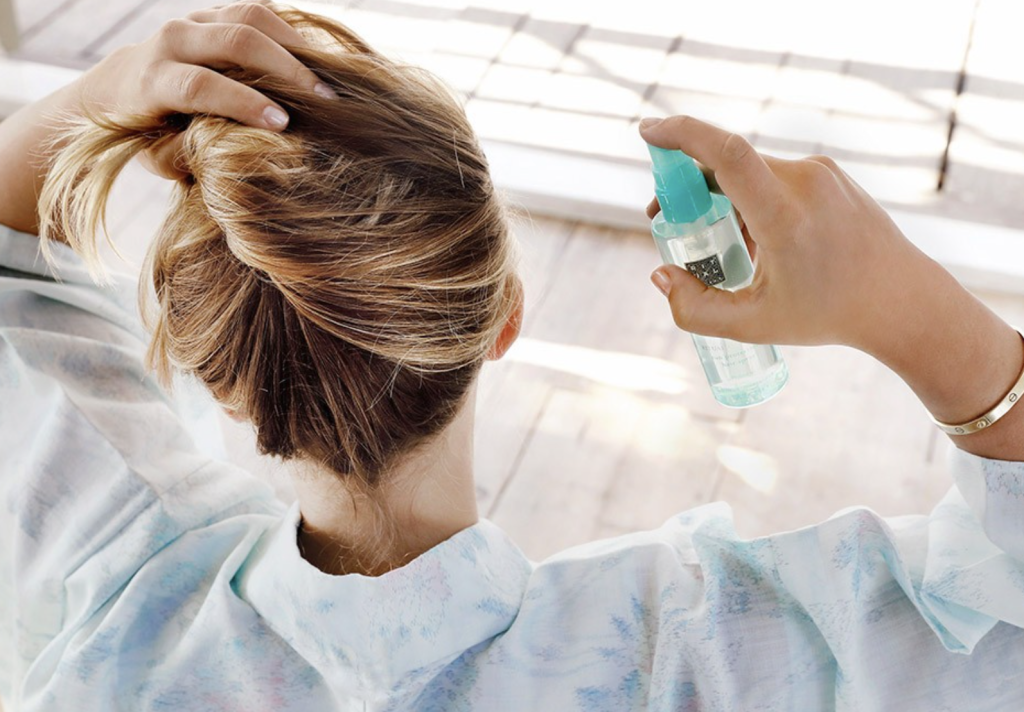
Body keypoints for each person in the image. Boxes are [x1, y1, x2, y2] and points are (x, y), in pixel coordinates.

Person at [0, 2, 1021, 710]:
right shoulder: (701, 658)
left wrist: (103, 88)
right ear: (506, 320)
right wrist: (903, 301)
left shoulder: (114, 595)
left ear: (217, 375)